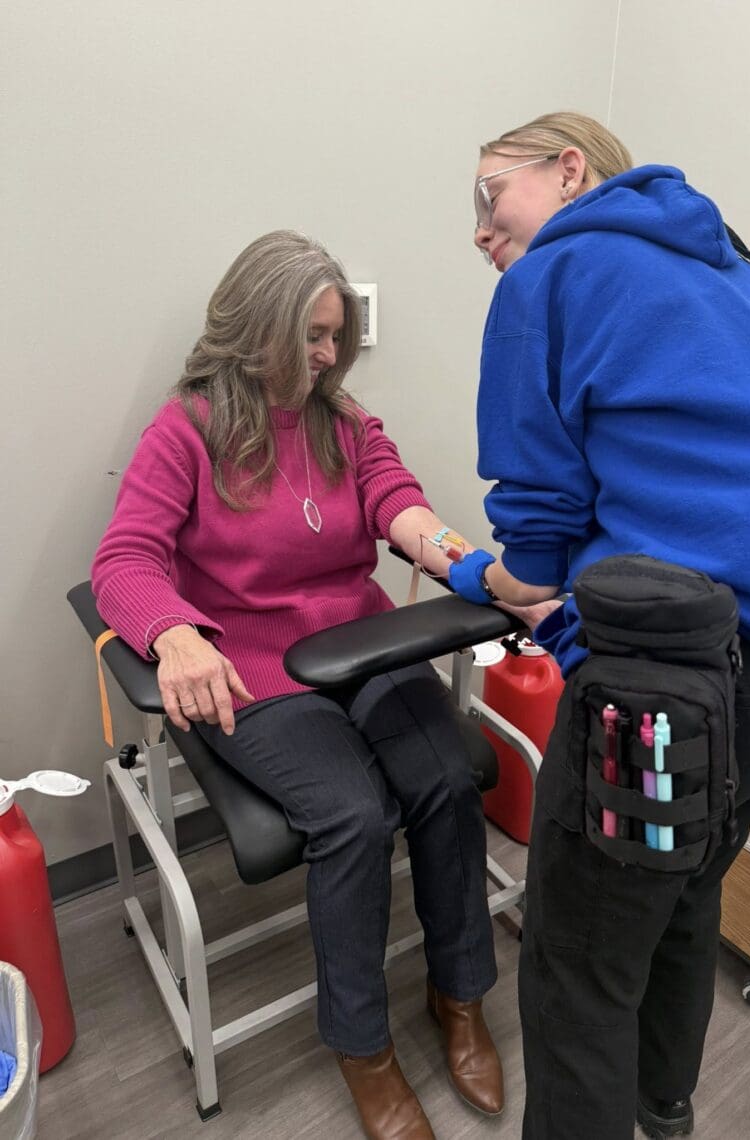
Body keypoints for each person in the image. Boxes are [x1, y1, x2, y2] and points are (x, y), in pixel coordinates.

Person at [443, 112, 750, 1139]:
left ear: (570, 170)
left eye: (489, 196)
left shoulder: (553, 276)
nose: (480, 232)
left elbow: (535, 534)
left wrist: (474, 564)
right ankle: (664, 1118)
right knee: (676, 907)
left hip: (686, 702)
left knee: (577, 968)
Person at [91, 230, 553, 1140]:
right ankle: (363, 1047)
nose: (329, 355)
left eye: (337, 335)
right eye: (312, 335)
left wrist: (480, 571)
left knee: (446, 778)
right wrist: (176, 632)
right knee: (350, 813)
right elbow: (124, 558)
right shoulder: (186, 429)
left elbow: (400, 506)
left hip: (361, 645)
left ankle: (458, 997)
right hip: (253, 668)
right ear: (253, 324)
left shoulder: (345, 424)